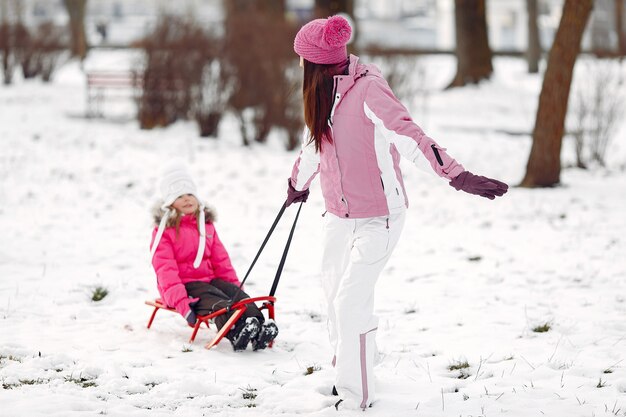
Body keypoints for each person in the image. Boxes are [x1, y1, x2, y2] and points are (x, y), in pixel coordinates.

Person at [286, 15, 508, 410]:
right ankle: (352, 365)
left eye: (302, 58)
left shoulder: (368, 89)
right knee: (334, 291)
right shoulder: (322, 95)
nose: (298, 64)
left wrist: (457, 176)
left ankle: (354, 397)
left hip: (380, 216)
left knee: (350, 302)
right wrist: (296, 185)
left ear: (317, 61)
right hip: (338, 216)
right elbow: (314, 147)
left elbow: (410, 137)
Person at [150, 162, 278, 351]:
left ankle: (257, 325)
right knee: (218, 302)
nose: (187, 199)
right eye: (179, 196)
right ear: (169, 202)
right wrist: (182, 304)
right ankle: (236, 331)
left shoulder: (206, 226)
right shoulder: (164, 231)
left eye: (190, 194)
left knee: (238, 297)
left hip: (210, 280)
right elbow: (165, 271)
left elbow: (221, 261)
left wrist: (234, 287)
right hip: (185, 286)